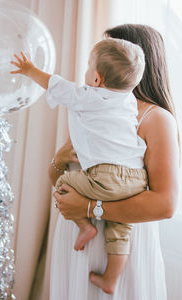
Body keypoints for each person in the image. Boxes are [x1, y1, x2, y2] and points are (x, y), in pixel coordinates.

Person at [49, 24, 180, 300]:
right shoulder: (93, 109)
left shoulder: (155, 119)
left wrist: (89, 208)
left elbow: (165, 204)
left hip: (120, 248)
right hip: (77, 242)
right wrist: (58, 160)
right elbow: (61, 177)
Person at [10, 38, 147, 294]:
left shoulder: (88, 96)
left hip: (105, 175)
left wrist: (30, 69)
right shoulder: (129, 102)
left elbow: (56, 85)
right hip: (137, 178)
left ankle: (85, 226)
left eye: (87, 66)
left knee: (63, 185)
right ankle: (110, 279)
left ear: (96, 79)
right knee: (121, 229)